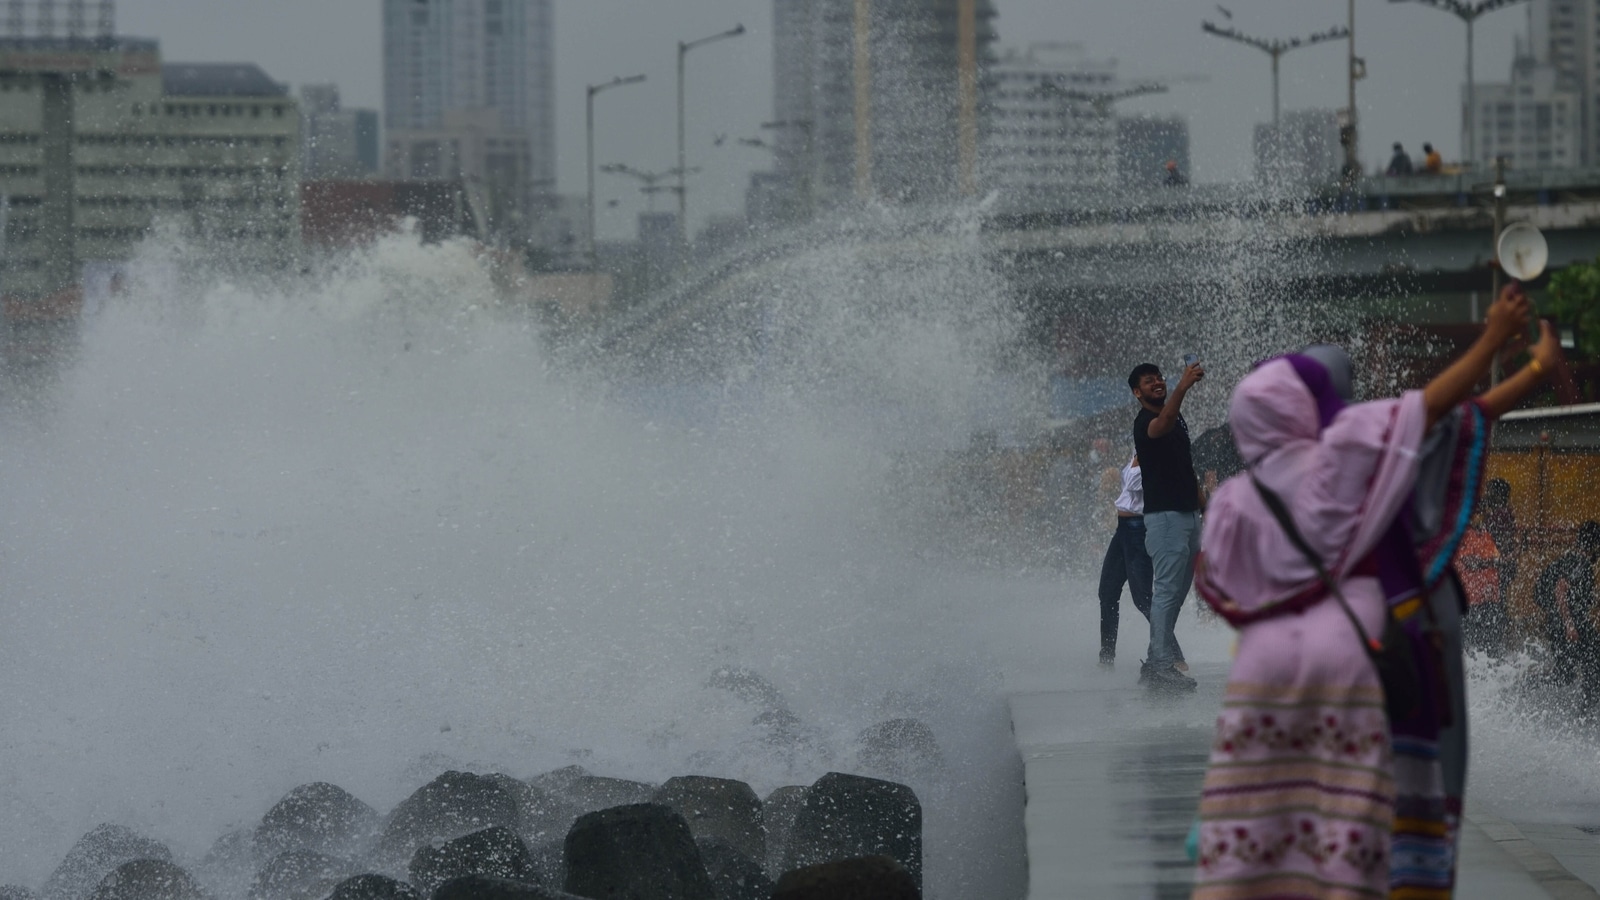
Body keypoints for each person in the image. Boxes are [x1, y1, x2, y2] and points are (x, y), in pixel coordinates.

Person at [1189, 283, 1562, 900]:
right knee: (1349, 801)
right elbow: (1444, 411)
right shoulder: (1349, 452)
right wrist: (1499, 341)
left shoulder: (1231, 499)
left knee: (1263, 796)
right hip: (1353, 648)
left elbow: (1217, 587)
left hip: (1263, 665)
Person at [1129, 360, 1205, 692]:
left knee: (1175, 594)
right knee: (1165, 593)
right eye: (1149, 381)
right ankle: (1160, 665)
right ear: (1137, 392)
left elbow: (1185, 467)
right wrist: (1183, 386)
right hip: (1165, 519)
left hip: (1189, 516)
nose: (1157, 382)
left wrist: (1207, 506)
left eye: (1160, 378)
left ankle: (1158, 661)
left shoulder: (1178, 419)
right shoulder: (1145, 422)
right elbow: (1165, 421)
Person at [1097, 454, 1186, 669]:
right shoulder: (1139, 450)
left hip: (1139, 529)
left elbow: (1136, 483)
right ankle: (1106, 658)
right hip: (1123, 530)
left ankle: (1174, 654)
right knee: (1107, 593)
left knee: (1143, 598)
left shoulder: (1155, 451)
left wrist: (1140, 457)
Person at [1534, 521, 1600, 704]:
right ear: (1593, 544)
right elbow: (1560, 589)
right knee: (1594, 659)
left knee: (1566, 674)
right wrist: (1569, 624)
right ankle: (1587, 712)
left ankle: (1529, 687)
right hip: (1568, 627)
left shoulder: (1570, 559)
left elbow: (1574, 596)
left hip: (1560, 625)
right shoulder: (1580, 563)